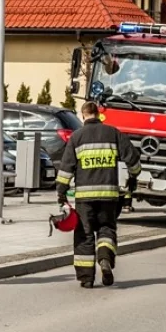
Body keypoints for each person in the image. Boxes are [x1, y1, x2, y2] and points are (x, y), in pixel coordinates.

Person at [56, 101, 141, 289]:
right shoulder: (113, 133)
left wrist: (61, 193)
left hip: (84, 198)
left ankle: (86, 278)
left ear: (83, 115)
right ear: (98, 113)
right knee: (106, 229)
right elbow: (133, 158)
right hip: (109, 196)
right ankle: (104, 258)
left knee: (84, 234)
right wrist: (133, 176)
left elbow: (66, 168)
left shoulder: (76, 137)